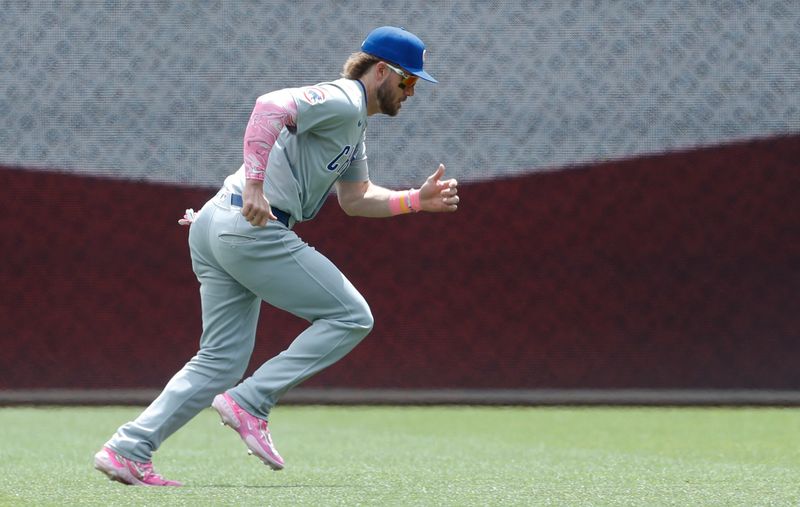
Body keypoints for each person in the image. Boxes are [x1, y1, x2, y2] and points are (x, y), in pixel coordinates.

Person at [93, 26, 459, 486]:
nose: (411, 92)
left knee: (220, 361)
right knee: (351, 316)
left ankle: (128, 449)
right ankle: (252, 401)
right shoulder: (345, 97)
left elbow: (356, 197)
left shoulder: (354, 123)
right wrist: (254, 184)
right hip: (251, 227)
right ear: (381, 71)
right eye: (408, 81)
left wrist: (415, 200)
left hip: (217, 225)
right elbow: (269, 105)